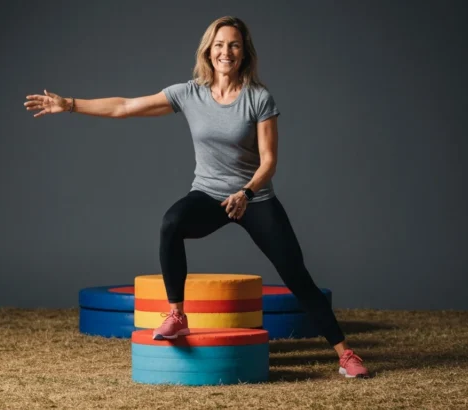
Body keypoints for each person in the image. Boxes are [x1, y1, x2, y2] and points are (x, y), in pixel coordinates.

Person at [24, 16, 369, 379]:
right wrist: (69, 103)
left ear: (244, 53)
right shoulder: (189, 93)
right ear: (208, 50)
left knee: (296, 274)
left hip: (254, 197)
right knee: (171, 223)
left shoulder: (258, 98)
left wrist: (246, 192)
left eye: (234, 45)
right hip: (208, 194)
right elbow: (125, 106)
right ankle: (177, 315)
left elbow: (269, 161)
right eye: (219, 45)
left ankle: (345, 354)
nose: (226, 52)